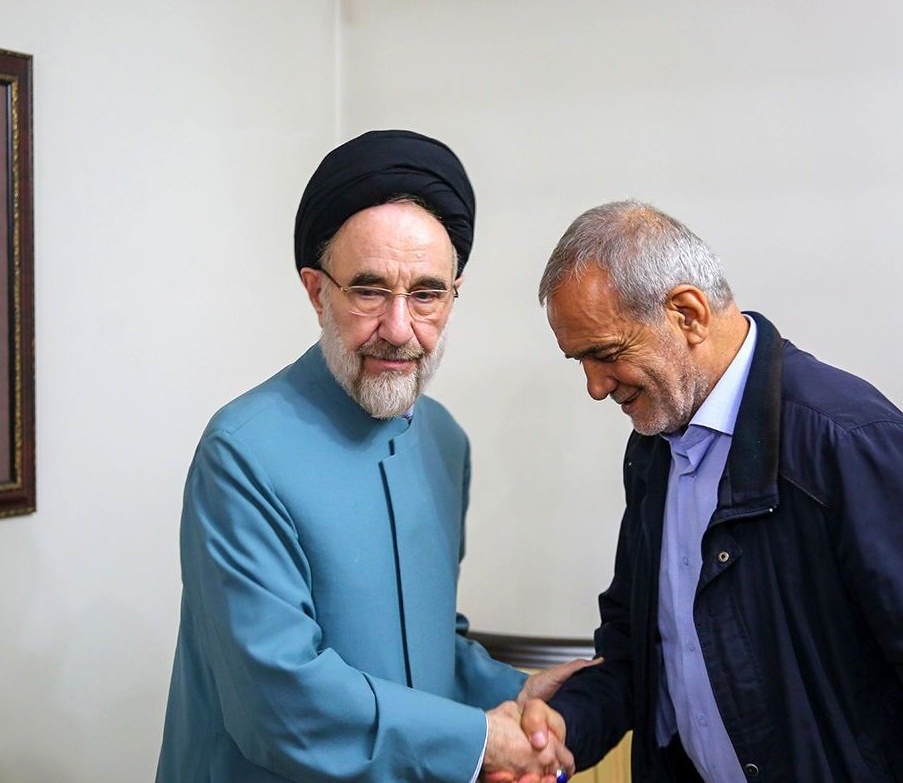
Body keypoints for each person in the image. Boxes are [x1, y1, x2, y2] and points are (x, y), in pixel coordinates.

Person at [527, 200, 903, 783]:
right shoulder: (653, 449)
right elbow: (641, 648)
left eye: (605, 354)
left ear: (687, 314)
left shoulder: (851, 446)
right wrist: (561, 729)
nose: (595, 387)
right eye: (579, 361)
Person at [157, 130, 583, 783]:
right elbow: (279, 701)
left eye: (426, 294)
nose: (399, 328)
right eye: (369, 290)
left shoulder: (444, 440)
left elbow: (426, 646)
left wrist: (519, 693)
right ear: (316, 291)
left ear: (453, 295)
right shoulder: (241, 454)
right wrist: (480, 741)